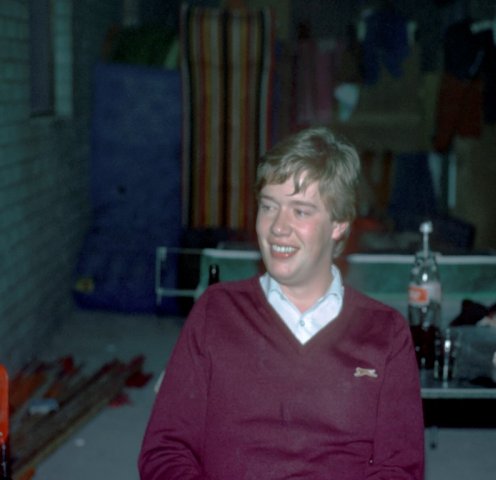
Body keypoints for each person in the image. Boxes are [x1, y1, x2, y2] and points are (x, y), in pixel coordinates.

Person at [138, 127, 424, 479]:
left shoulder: (385, 332)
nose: (277, 227)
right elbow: (166, 449)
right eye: (269, 207)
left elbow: (400, 468)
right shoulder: (216, 311)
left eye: (300, 211)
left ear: (338, 225)